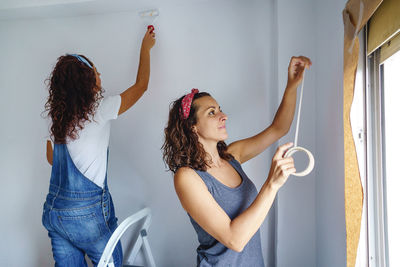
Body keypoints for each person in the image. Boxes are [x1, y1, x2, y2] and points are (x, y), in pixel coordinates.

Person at [162, 56, 311, 266]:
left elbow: (279, 128)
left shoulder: (232, 156)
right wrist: (272, 183)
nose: (223, 116)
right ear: (192, 127)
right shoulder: (187, 177)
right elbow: (235, 239)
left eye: (219, 109)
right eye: (211, 113)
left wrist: (292, 85)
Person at [41, 28, 155, 267]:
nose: (100, 75)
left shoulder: (56, 119)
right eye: (96, 71)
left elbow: (53, 160)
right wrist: (145, 48)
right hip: (87, 216)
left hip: (56, 212)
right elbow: (141, 86)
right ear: (87, 80)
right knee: (110, 263)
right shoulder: (99, 109)